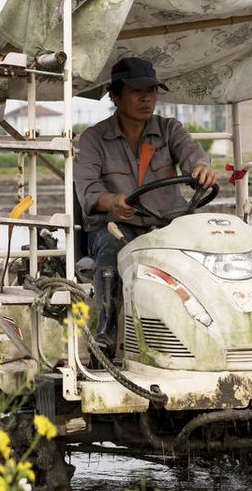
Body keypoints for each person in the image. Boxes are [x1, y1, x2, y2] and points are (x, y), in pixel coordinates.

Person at [74, 57, 217, 349]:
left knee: (208, 247)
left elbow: (191, 153)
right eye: (137, 91)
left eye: (151, 90)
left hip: (165, 227)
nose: (146, 98)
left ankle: (210, 333)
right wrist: (113, 201)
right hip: (116, 227)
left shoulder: (169, 129)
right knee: (111, 251)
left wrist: (201, 167)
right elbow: (88, 191)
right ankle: (106, 334)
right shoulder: (94, 139)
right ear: (115, 95)